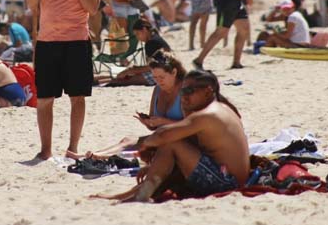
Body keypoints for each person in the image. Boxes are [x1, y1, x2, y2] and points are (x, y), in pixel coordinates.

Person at [97, 70, 249, 203]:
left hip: (227, 181)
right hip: (229, 176)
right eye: (183, 91)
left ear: (208, 92)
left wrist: (146, 145)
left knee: (171, 143)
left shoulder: (209, 114)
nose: (184, 96)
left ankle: (140, 195)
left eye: (190, 91)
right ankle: (132, 194)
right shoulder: (220, 108)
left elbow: (163, 135)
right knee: (174, 147)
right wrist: (154, 165)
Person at [27, 0, 102, 160]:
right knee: (45, 99)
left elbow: (93, 8)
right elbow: (31, 5)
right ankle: (45, 149)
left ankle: (73, 148)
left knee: (77, 97)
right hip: (48, 41)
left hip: (77, 40)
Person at [74, 52, 187, 159]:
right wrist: (149, 123)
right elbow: (154, 127)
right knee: (127, 140)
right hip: (161, 136)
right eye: (155, 78)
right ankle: (95, 155)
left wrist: (163, 121)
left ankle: (103, 157)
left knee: (145, 145)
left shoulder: (185, 91)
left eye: (161, 77)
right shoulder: (157, 90)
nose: (158, 81)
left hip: (183, 140)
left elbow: (193, 125)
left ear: (174, 72)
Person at [96, 18, 171, 87]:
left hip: (163, 72)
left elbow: (151, 67)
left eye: (137, 34)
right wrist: (133, 69)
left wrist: (130, 70)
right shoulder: (155, 38)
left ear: (144, 30)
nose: (137, 37)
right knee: (124, 76)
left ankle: (98, 82)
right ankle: (97, 81)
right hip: (166, 70)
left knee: (123, 80)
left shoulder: (151, 43)